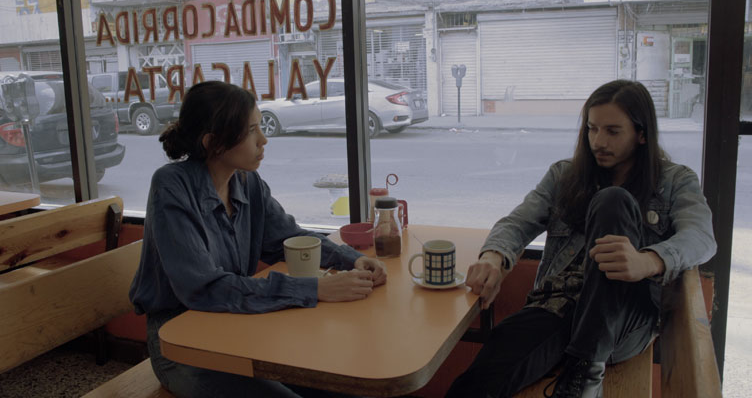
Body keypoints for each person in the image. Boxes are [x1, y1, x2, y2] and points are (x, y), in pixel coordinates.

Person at [445, 80, 716, 398]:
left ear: (641, 134)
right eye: (592, 129)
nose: (598, 141)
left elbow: (701, 237)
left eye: (613, 131)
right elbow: (517, 222)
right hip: (559, 306)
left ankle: (588, 368)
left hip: (622, 321)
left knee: (613, 201)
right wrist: (493, 257)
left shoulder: (674, 181)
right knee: (478, 381)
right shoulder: (565, 176)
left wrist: (648, 260)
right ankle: (581, 363)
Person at [129, 81, 387, 398]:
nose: (263, 139)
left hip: (237, 324)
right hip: (181, 346)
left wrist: (353, 260)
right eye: (252, 130)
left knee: (343, 382)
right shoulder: (171, 185)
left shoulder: (247, 181)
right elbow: (203, 288)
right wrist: (317, 289)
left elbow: (289, 238)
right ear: (213, 142)